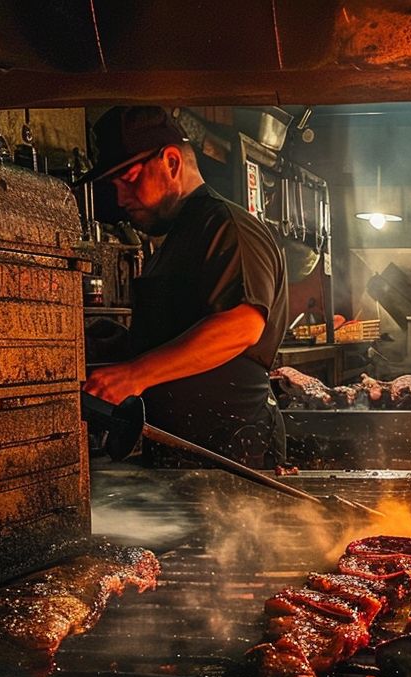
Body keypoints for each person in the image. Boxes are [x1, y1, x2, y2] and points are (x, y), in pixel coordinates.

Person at [81, 106, 288, 468]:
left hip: (234, 449)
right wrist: (124, 344)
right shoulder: (177, 238)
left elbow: (241, 326)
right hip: (183, 449)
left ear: (172, 162)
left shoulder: (226, 226)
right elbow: (181, 335)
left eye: (129, 179)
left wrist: (135, 374)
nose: (121, 198)